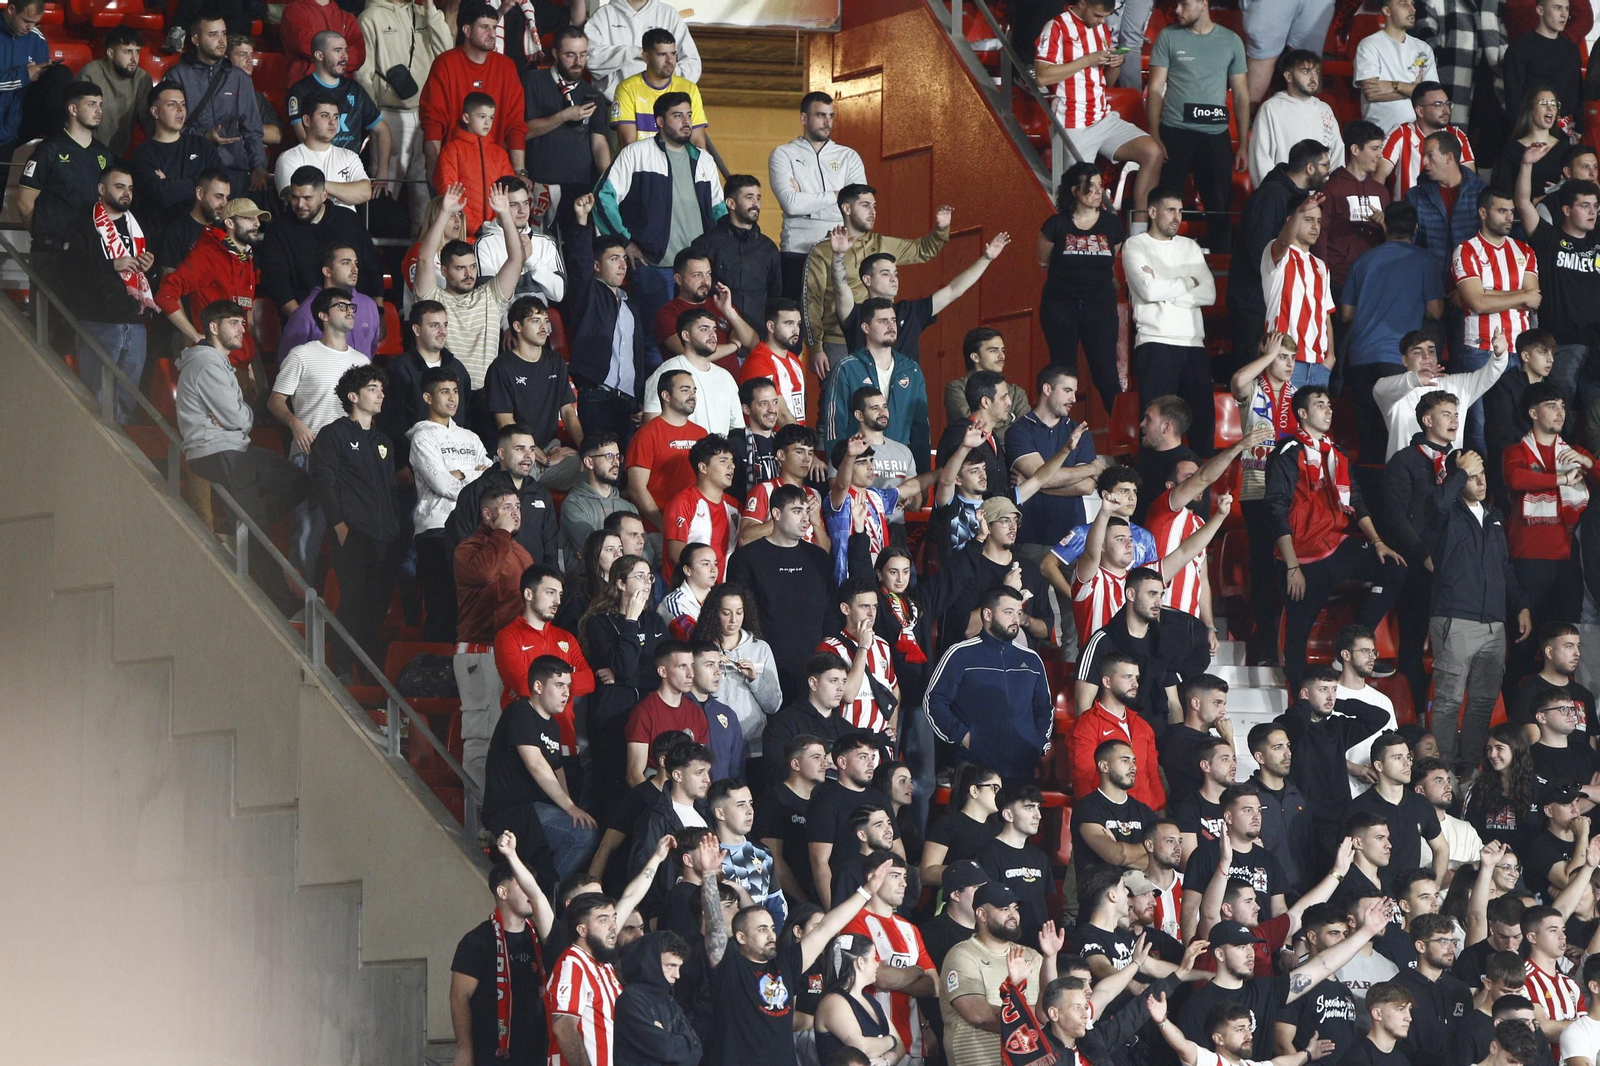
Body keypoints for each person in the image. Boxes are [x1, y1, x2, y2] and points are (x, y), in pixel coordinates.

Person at [1266, 386, 1407, 692]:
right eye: (1320, 405)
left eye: (1330, 405)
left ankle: (1356, 640)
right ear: (1302, 414)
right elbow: (1276, 510)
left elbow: (1356, 500)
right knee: (1297, 638)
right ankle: (1300, 701)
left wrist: (1378, 541)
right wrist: (1292, 566)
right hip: (1303, 556)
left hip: (1336, 545)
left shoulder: (1337, 454)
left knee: (1394, 566)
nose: (1329, 410)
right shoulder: (1287, 453)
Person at [176, 300, 311, 612]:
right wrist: (240, 416)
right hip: (217, 451)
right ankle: (283, 605)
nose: (242, 329)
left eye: (242, 323)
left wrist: (237, 416)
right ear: (213, 328)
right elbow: (239, 419)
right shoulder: (207, 363)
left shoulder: (218, 363)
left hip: (234, 449)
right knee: (258, 528)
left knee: (299, 481)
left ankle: (235, 529)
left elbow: (236, 418)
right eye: (234, 323)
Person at [595, 92, 726, 363]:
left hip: (697, 270)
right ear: (659, 122)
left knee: (699, 342)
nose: (686, 121)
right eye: (677, 116)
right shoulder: (636, 153)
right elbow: (602, 197)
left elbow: (719, 213)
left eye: (689, 115)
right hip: (653, 266)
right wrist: (624, 241)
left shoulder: (704, 160)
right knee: (653, 344)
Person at [1427, 451, 1529, 773]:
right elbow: (1435, 506)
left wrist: (1520, 605)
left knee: (1483, 702)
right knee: (1448, 701)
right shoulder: (1446, 511)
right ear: (1456, 479)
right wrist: (1458, 473)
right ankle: (1441, 771)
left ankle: (1469, 769)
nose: (1481, 480)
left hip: (1494, 624)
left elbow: (1505, 568)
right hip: (1455, 618)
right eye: (1472, 475)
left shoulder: (1494, 516)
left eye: (1482, 473)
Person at [269, 287, 370, 576]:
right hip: (309, 454)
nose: (350, 310)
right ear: (323, 316)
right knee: (306, 532)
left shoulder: (362, 361)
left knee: (349, 534)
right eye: (342, 306)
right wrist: (294, 422)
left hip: (349, 460)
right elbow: (275, 400)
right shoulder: (302, 355)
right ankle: (300, 601)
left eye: (352, 307)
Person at [1035, 0, 1165, 222]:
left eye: (1105, 17)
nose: (1102, 21)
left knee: (1153, 152)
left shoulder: (1100, 29)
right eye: (1097, 15)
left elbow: (1107, 80)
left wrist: (1116, 62)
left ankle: (1140, 232)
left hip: (1103, 117)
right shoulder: (1056, 27)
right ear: (1083, 3)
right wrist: (1087, 60)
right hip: (1072, 122)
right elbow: (1042, 76)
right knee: (1080, 194)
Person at [802, 186, 949, 374]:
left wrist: (941, 229)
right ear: (847, 209)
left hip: (879, 337)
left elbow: (923, 250)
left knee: (882, 399)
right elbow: (811, 302)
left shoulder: (882, 243)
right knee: (838, 399)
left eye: (874, 206)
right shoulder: (823, 250)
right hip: (837, 339)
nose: (873, 212)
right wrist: (815, 347)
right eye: (865, 205)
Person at [311, 363, 399, 671]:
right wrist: (339, 525)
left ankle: (364, 672)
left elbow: (389, 490)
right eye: (372, 389)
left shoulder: (383, 441)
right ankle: (341, 670)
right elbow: (323, 481)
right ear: (352, 396)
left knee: (376, 609)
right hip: (354, 535)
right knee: (352, 604)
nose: (380, 395)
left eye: (381, 389)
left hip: (386, 538)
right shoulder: (333, 435)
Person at [1342, 205, 1447, 462]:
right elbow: (1436, 310)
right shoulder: (1425, 260)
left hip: (1361, 359)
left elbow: (1345, 313)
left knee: (1368, 440)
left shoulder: (1363, 260)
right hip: (1397, 361)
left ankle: (1369, 496)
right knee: (1400, 437)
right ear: (1415, 228)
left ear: (1385, 227)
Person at [1141, 0, 1248, 248]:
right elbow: (1155, 89)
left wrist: (1243, 143)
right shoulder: (1168, 37)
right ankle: (1158, 261)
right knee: (1166, 205)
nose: (1177, 10)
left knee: (1219, 209)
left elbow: (1241, 94)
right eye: (1176, 3)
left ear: (1203, 3)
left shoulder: (1231, 41)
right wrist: (1155, 133)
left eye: (1184, 4)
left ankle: (1220, 271)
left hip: (1215, 135)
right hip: (1174, 132)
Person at [1504, 382, 1595, 672]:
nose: (1561, 412)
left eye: (1563, 405)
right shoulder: (1516, 450)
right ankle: (1520, 709)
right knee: (1524, 640)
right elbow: (1517, 479)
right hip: (1529, 557)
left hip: (1567, 559)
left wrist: (1587, 462)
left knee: (1564, 643)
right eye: (1552, 405)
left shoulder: (1574, 452)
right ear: (1533, 412)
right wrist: (1560, 480)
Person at [483, 654, 597, 882]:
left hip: (536, 810)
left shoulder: (553, 725)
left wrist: (568, 808)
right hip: (512, 809)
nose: (566, 693)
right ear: (537, 685)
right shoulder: (520, 712)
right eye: (559, 685)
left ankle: (544, 893)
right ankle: (544, 896)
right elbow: (536, 764)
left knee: (582, 827)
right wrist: (571, 808)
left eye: (568, 686)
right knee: (582, 833)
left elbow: (557, 770)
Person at [60, 161, 158, 427]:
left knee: (128, 396)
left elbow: (147, 275)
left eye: (130, 188)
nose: (127, 192)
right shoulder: (82, 224)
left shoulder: (138, 226)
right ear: (101, 189)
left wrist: (150, 269)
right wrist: (111, 264)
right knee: (98, 397)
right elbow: (69, 270)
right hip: (98, 321)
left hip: (135, 322)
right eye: (119, 186)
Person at [924, 586, 1052, 781]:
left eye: (1019, 613)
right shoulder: (960, 654)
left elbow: (1044, 709)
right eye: (1008, 612)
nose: (1015, 619)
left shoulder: (1032, 660)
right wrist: (965, 738)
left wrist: (1037, 743)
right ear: (987, 614)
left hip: (1023, 768)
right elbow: (933, 701)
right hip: (975, 769)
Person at [449, 833, 556, 1066]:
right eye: (522, 883)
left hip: (540, 1053)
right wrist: (465, 1051)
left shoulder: (542, 935)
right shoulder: (477, 941)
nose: (531, 890)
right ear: (502, 892)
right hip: (494, 1055)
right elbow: (459, 998)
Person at [1125, 185, 1217, 450]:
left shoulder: (1190, 246)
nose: (1177, 217)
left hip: (1193, 345)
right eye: (1170, 210)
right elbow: (1148, 289)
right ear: (1153, 212)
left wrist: (1169, 292)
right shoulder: (1136, 245)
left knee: (1202, 427)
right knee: (1155, 428)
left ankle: (1202, 485)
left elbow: (1209, 293)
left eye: (1180, 211)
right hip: (1155, 343)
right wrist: (1188, 281)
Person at [414, 182, 525, 393]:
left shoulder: (490, 296)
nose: (469, 274)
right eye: (460, 268)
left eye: (473, 267)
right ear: (444, 271)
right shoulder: (434, 301)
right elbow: (424, 259)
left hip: (487, 393)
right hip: (446, 394)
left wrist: (505, 215)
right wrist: (445, 213)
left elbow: (516, 259)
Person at [1229, 139, 1329, 372]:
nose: (1328, 171)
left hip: (1271, 303)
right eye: (1325, 165)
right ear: (1310, 168)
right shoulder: (1271, 195)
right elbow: (1258, 251)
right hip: (1254, 303)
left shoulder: (1294, 196)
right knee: (1254, 376)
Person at [939, 882, 1065, 1066]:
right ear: (981, 914)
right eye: (1004, 909)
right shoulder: (962, 955)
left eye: (1015, 908)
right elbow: (980, 1016)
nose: (1013, 915)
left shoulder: (1031, 955)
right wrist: (1036, 1018)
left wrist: (1050, 957)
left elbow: (1050, 1004)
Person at [1513, 145, 1599, 402]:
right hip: (1561, 344)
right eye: (1584, 206)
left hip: (1596, 343)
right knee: (1562, 408)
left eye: (1595, 206)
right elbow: (1522, 202)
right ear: (1566, 210)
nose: (1592, 211)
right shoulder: (1548, 239)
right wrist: (1526, 164)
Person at [564, 193, 650, 447]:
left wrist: (639, 397)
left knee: (621, 471)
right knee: (600, 463)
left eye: (624, 259)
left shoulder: (630, 304)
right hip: (596, 397)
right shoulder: (587, 294)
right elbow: (579, 263)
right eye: (614, 259)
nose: (623, 264)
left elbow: (637, 356)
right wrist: (582, 221)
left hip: (628, 402)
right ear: (597, 266)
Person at [410, 368, 491, 639]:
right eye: (444, 392)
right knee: (442, 607)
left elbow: (490, 481)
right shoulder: (422, 437)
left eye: (455, 391)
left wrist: (461, 474)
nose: (452, 398)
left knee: (471, 610)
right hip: (436, 529)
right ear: (428, 398)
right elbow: (442, 485)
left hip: (473, 529)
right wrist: (475, 473)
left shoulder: (471, 437)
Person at [1037, 163, 1125, 409]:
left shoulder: (1111, 224)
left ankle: (1123, 440)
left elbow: (1112, 261)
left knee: (1106, 375)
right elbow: (1043, 262)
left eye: (1100, 186)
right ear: (1075, 191)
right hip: (1060, 307)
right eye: (1091, 187)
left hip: (1100, 307)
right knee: (1063, 373)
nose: (1098, 192)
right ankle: (1057, 432)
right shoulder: (1056, 224)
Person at [354, 0, 449, 220]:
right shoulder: (371, 17)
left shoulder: (424, 13)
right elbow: (363, 73)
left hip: (426, 114)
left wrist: (431, 9)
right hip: (390, 114)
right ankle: (379, 247)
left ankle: (422, 244)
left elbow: (446, 51)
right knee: (386, 185)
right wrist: (374, 117)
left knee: (423, 187)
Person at [419, 1, 526, 186]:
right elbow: (433, 121)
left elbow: (515, 124)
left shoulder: (506, 66)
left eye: (494, 27)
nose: (492, 34)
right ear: (467, 31)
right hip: (454, 168)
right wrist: (434, 170)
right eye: (485, 27)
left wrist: (519, 171)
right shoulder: (445, 63)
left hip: (494, 168)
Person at [769, 92, 867, 294]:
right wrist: (838, 195)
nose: (827, 122)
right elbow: (791, 204)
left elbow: (859, 208)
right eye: (821, 115)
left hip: (841, 250)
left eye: (831, 116)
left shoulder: (849, 156)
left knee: (840, 320)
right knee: (799, 321)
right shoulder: (783, 154)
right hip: (797, 252)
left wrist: (806, 204)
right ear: (804, 118)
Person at [257, 166, 384, 322]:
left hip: (355, 317)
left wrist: (379, 312)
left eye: (307, 198)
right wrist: (302, 320)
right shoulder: (279, 229)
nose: (299, 204)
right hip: (303, 322)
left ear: (324, 195)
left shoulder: (348, 220)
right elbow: (275, 281)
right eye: (295, 197)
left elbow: (373, 267)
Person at [483, 296, 582, 491]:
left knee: (592, 471)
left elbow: (568, 412)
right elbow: (506, 424)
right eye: (535, 321)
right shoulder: (501, 367)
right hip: (516, 453)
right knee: (513, 490)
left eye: (546, 321)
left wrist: (585, 450)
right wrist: (543, 458)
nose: (544, 327)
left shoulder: (556, 362)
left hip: (550, 449)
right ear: (517, 326)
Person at [18, 80, 110, 290]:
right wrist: (44, 238)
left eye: (101, 104)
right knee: (47, 317)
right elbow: (24, 202)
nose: (99, 110)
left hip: (89, 251)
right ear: (73, 109)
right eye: (92, 104)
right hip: (53, 253)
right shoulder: (49, 150)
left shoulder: (104, 154)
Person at [165, 14, 267, 204]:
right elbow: (169, 129)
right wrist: (203, 138)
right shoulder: (177, 76)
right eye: (213, 35)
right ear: (195, 39)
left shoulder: (239, 78)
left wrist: (258, 167)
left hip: (234, 173)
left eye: (224, 34)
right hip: (192, 171)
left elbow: (252, 129)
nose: (221, 41)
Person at [821, 304, 931, 476]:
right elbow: (835, 425)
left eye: (893, 321)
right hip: (858, 468)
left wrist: (922, 478)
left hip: (898, 469)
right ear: (865, 327)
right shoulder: (847, 368)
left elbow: (921, 429)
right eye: (883, 321)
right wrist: (839, 472)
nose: (891, 326)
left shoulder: (911, 369)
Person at [522, 26, 612, 226]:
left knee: (577, 245)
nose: (578, 62)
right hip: (540, 183)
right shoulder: (533, 81)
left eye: (583, 55)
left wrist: (608, 179)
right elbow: (524, 131)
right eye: (570, 55)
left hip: (579, 186)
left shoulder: (593, 94)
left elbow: (599, 142)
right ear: (555, 53)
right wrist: (563, 116)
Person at [444, 423, 560, 571]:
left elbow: (550, 547)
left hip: (534, 589)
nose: (528, 455)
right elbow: (461, 548)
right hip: (492, 589)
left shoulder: (541, 493)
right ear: (501, 454)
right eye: (519, 449)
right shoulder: (476, 491)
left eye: (532, 449)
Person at [643, 300, 756, 432]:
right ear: (686, 335)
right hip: (681, 452)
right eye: (704, 329)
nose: (713, 334)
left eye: (714, 329)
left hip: (719, 451)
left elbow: (736, 428)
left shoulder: (725, 377)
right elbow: (653, 427)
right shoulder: (665, 372)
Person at [1263, 192, 1337, 390]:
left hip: (1319, 364)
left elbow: (1325, 314)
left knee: (1314, 422)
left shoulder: (1320, 266)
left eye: (1319, 221)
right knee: (1284, 421)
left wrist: (1330, 356)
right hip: (1284, 360)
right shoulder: (1277, 253)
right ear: (1291, 221)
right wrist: (1299, 211)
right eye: (1308, 219)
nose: (1315, 226)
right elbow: (1284, 242)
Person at [130, 86, 224, 234]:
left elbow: (221, 185)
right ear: (155, 112)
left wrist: (171, 182)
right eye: (172, 104)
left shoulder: (201, 145)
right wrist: (201, 183)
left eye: (183, 104)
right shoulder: (143, 154)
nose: (181, 110)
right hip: (163, 236)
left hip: (204, 235)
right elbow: (162, 195)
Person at [546, 892, 624, 1066]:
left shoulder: (606, 966)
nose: (613, 926)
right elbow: (564, 1025)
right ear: (582, 930)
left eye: (614, 918)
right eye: (603, 920)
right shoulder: (572, 963)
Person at [286, 31, 385, 165]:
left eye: (345, 50)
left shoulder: (354, 88)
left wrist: (382, 171)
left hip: (350, 170)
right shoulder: (301, 90)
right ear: (319, 55)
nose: (344, 56)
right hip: (316, 167)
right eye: (337, 51)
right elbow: (303, 137)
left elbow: (382, 130)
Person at [1251, 51, 1344, 194]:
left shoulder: (1324, 109)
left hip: (1320, 197)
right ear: (1288, 76)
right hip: (1283, 195)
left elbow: (1337, 153)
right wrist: (1274, 194)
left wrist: (1332, 193)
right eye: (1306, 71)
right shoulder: (1271, 108)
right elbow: (1261, 157)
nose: (1314, 78)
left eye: (1316, 71)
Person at [1316, 120, 1391, 297]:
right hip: (1338, 279)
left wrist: (1385, 225)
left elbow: (1392, 238)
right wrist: (1322, 275)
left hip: (1374, 278)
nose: (1380, 155)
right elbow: (1320, 235)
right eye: (1374, 148)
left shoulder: (1380, 191)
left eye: (1380, 148)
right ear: (1355, 150)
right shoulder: (1331, 188)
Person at [613, 930, 700, 1066]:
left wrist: (667, 1037)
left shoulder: (669, 1001)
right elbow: (665, 1049)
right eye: (670, 966)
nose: (677, 975)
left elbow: (696, 1051)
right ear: (650, 962)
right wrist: (682, 1041)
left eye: (679, 967)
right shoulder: (631, 999)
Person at [583, 0, 701, 100]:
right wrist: (634, 52)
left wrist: (664, 75)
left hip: (662, 106)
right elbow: (590, 60)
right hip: (613, 104)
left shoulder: (669, 15)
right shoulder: (603, 15)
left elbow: (693, 65)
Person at [609, 28, 705, 149]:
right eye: (662, 55)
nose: (670, 61)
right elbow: (628, 144)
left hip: (679, 164)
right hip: (641, 165)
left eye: (673, 54)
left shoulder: (690, 88)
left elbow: (698, 141)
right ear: (646, 57)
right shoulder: (627, 88)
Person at [432, 92, 512, 236]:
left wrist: (497, 225)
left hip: (496, 234)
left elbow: (508, 192)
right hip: (463, 235)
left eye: (491, 117)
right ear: (466, 118)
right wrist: (474, 228)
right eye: (482, 117)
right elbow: (448, 190)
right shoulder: (452, 150)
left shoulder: (499, 153)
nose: (488, 122)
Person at [1354, 0, 1439, 133]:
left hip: (1420, 134)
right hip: (1382, 134)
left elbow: (1433, 95)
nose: (1412, 10)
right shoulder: (1369, 45)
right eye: (1404, 4)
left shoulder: (1424, 48)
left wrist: (1396, 85)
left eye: (1412, 4)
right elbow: (1371, 94)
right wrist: (1416, 90)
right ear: (1387, 11)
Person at [561, 436, 639, 564]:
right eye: (609, 456)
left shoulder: (629, 507)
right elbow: (594, 549)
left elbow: (644, 549)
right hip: (589, 582)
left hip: (626, 579)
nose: (616, 462)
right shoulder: (573, 505)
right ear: (589, 462)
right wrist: (628, 549)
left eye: (618, 456)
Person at [1509, 624, 1593, 740]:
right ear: (1549, 652)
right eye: (1569, 646)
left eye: (1578, 646)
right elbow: (1533, 741)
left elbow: (1591, 744)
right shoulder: (1528, 690)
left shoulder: (1584, 694)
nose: (1577, 653)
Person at [77, 27, 148, 159]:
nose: (134, 58)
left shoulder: (142, 78)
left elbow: (149, 123)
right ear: (110, 53)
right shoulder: (91, 73)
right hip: (86, 153)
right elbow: (78, 121)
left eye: (137, 52)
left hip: (119, 156)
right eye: (128, 52)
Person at [1496, 86, 1575, 206]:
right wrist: (1535, 201)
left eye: (1554, 104)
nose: (1550, 108)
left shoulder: (1565, 148)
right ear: (1530, 108)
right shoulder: (1512, 150)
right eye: (1544, 103)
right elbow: (1501, 192)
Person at [739, 301, 807, 427]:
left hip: (795, 439)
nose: (795, 330)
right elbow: (781, 416)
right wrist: (800, 441)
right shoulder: (759, 361)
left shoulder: (795, 360)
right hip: (774, 441)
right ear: (771, 327)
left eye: (798, 324)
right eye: (789, 323)